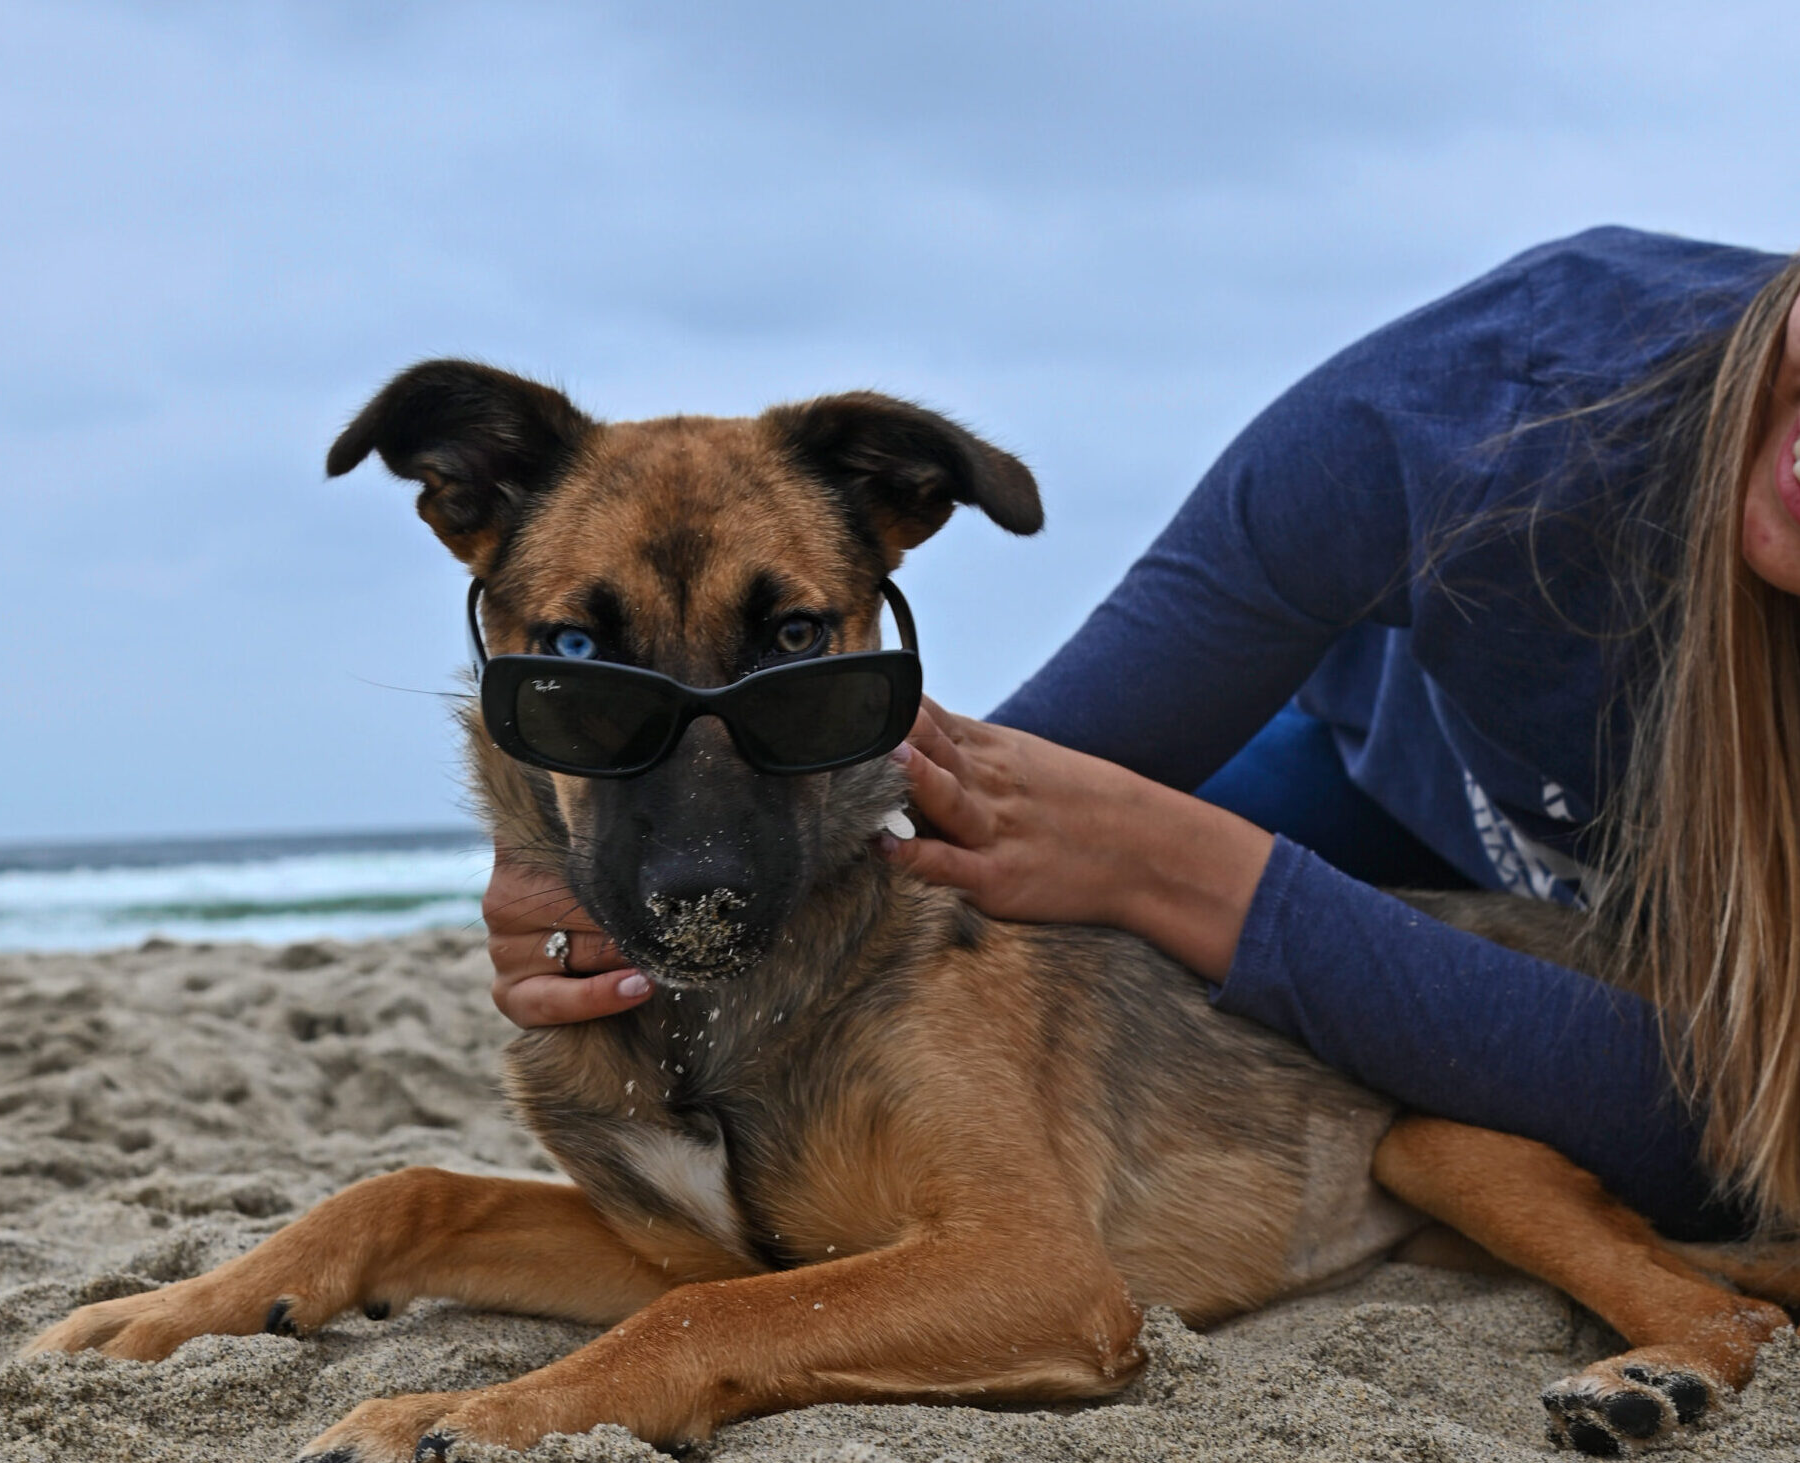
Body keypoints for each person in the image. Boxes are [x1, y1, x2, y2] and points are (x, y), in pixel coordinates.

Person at [481, 227, 1800, 1244]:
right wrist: (591, 861)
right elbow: (978, 805)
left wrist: (1195, 877)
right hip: (1367, 792)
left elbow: (1744, 1135)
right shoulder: (1485, 404)